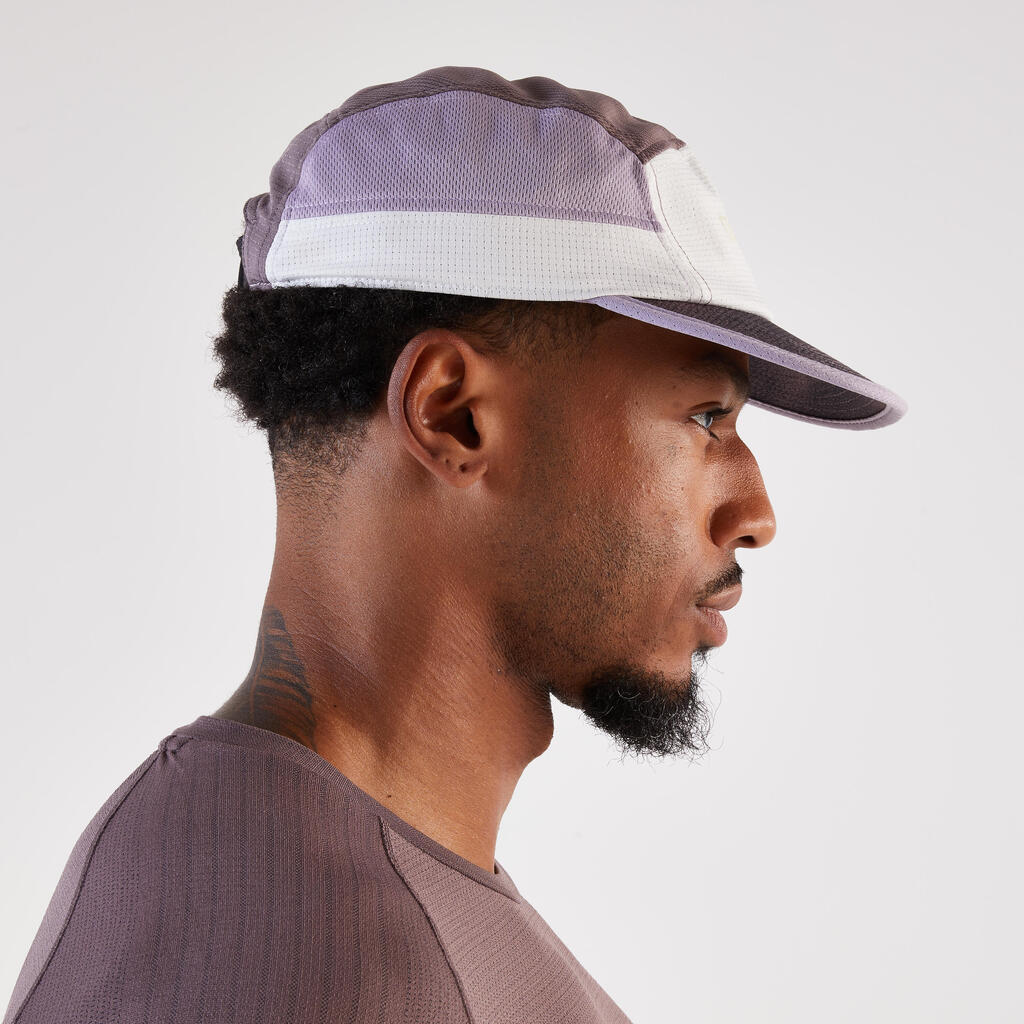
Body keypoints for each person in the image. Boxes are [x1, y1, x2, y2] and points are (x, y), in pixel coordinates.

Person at [2, 66, 907, 1024]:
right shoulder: (323, 964)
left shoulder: (287, 872)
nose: (756, 513)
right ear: (452, 413)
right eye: (705, 417)